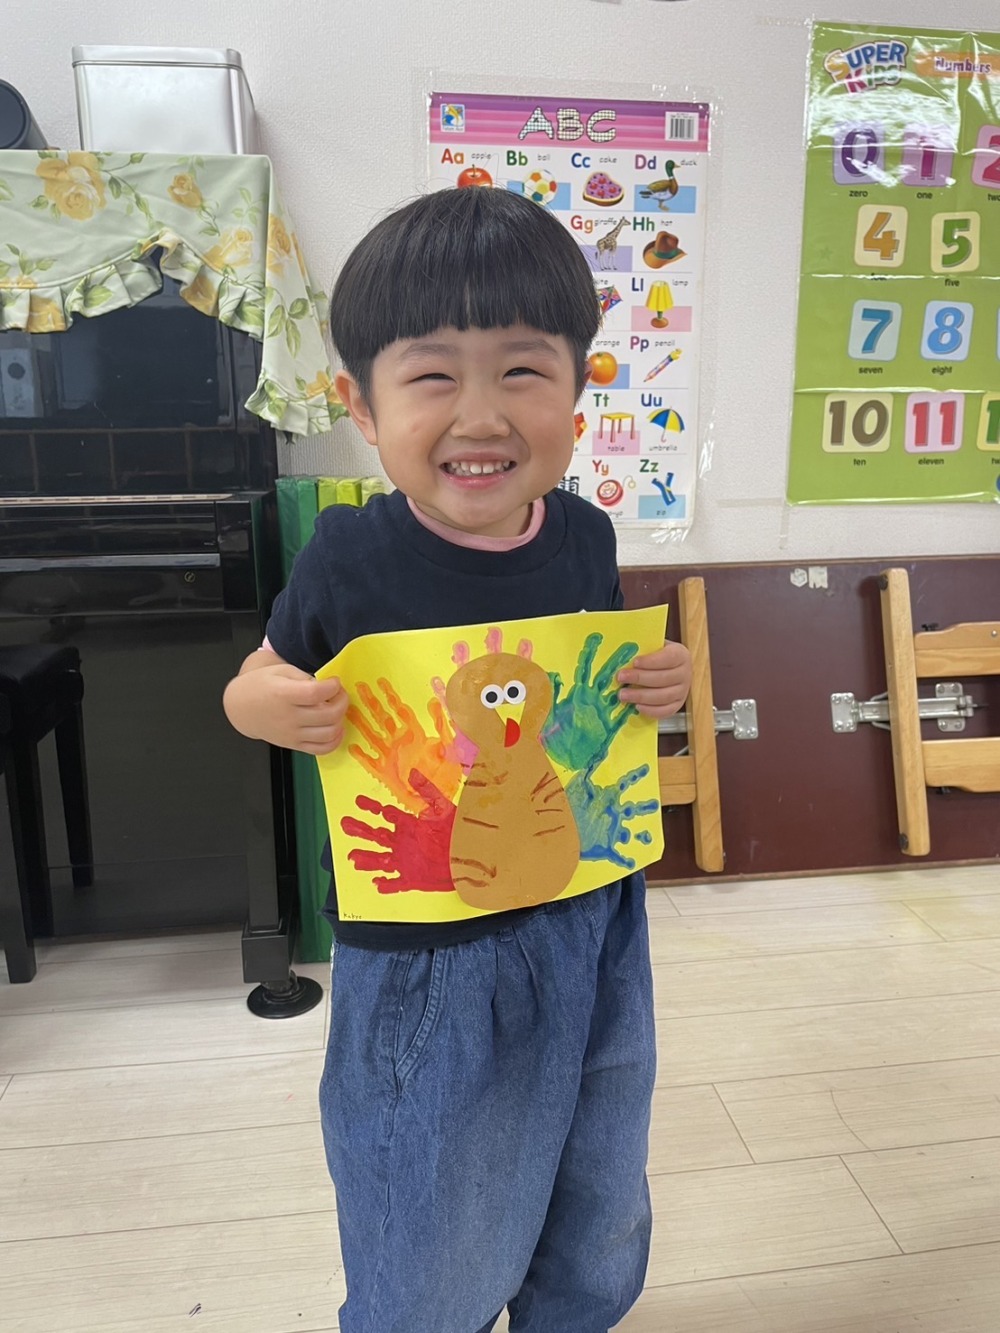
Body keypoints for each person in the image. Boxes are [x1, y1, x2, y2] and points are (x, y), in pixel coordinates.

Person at [223, 186, 692, 1333]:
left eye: (522, 371)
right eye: (432, 376)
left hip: (590, 915)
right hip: (426, 954)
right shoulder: (350, 557)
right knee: (434, 1207)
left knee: (597, 1181)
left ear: (576, 396)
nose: (479, 414)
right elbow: (253, 679)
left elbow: (596, 696)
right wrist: (269, 702)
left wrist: (661, 685)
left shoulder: (583, 534)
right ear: (363, 406)